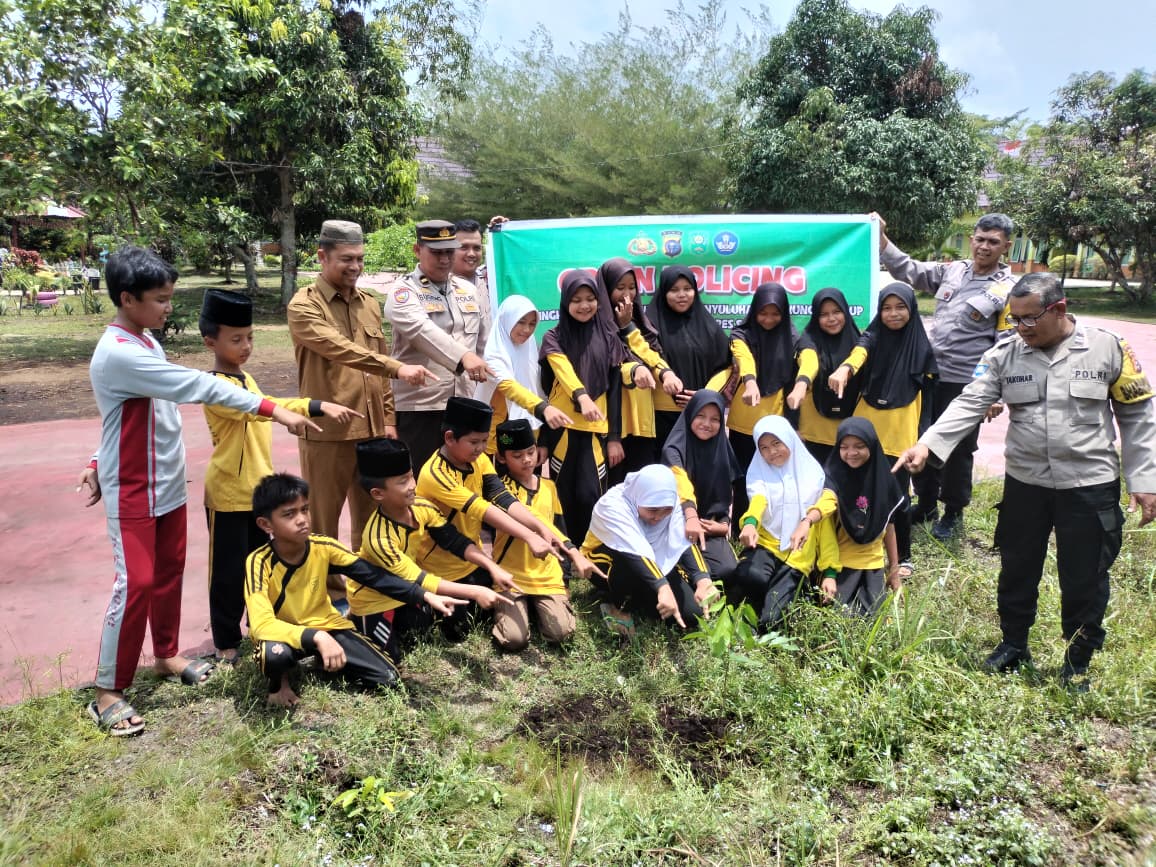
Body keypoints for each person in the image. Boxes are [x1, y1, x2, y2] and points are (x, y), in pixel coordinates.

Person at [77, 247, 318, 736]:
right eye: (161, 299)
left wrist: (95, 456)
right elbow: (199, 387)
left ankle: (166, 654)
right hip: (134, 488)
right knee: (136, 583)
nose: (169, 307)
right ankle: (106, 690)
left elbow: (120, 413)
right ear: (128, 298)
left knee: (167, 574)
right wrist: (277, 409)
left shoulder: (145, 341)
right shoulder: (120, 351)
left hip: (167, 483)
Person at [893, 273, 1156, 685]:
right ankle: (1013, 644)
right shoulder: (1006, 353)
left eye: (1029, 319)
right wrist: (928, 445)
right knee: (1016, 568)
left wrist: (1144, 478)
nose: (1020, 328)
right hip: (1025, 483)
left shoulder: (1107, 348)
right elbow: (971, 400)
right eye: (1014, 319)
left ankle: (1077, 660)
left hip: (1089, 485)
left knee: (1085, 576)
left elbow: (1138, 416)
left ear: (1059, 310)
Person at [199, 288, 361, 664]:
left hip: (259, 495)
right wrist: (283, 413)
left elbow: (271, 402)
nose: (246, 346)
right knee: (228, 573)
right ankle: (226, 641)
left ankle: (271, 627)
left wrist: (316, 405)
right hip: (227, 494)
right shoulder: (214, 385)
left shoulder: (245, 378)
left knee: (267, 566)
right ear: (211, 341)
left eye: (250, 337)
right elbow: (254, 409)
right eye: (236, 339)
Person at [244, 473, 464, 707]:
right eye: (289, 514)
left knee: (388, 678)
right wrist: (315, 636)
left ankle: (324, 656)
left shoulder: (324, 547)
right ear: (266, 524)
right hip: (283, 636)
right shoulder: (258, 562)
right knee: (276, 656)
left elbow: (374, 576)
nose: (302, 519)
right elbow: (262, 624)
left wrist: (425, 595)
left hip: (326, 626)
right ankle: (279, 686)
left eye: (305, 509)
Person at [287, 219, 434, 560]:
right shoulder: (304, 305)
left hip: (372, 433)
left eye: (359, 258)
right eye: (346, 259)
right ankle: (331, 593)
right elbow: (342, 349)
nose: (355, 267)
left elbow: (376, 368)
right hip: (328, 434)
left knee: (372, 520)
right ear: (322, 257)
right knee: (323, 521)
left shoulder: (368, 302)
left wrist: (388, 419)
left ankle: (370, 591)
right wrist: (397, 367)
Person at [875, 211, 1017, 541]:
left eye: (993, 242)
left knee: (958, 449)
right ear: (972, 239)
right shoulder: (952, 271)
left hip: (968, 383)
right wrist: (881, 238)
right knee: (922, 437)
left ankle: (953, 512)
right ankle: (925, 505)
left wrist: (993, 394)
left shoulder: (1009, 289)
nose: (984, 247)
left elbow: (1006, 344)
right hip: (929, 375)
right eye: (980, 239)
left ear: (1006, 246)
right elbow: (910, 269)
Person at [351, 438, 513, 661]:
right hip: (376, 599)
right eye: (402, 482)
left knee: (434, 627)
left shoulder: (422, 506)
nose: (412, 486)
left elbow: (454, 541)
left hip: (409, 589)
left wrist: (490, 566)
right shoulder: (379, 538)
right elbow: (421, 580)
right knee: (391, 663)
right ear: (378, 494)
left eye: (411, 476)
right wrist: (476, 592)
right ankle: (355, 627)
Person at [415, 396, 563, 640]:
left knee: (497, 604)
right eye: (474, 442)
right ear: (450, 438)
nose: (481, 448)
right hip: (442, 568)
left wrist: (539, 527)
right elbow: (481, 509)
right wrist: (528, 535)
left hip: (472, 561)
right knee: (459, 632)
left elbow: (500, 496)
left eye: (485, 441)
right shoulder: (435, 474)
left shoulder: (478, 460)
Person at [829, 282, 937, 577]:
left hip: (900, 431)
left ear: (912, 309)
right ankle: (853, 544)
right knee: (856, 487)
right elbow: (859, 352)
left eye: (900, 307)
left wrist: (923, 439)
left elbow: (927, 402)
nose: (893, 314)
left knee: (898, 496)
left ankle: (902, 557)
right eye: (887, 308)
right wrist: (845, 369)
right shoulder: (872, 336)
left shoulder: (921, 349)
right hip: (867, 427)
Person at [383, 220, 495, 470]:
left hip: (465, 401)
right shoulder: (403, 292)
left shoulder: (468, 289)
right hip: (422, 405)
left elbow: (484, 342)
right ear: (417, 250)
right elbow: (422, 331)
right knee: (422, 482)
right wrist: (464, 357)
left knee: (463, 480)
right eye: (436, 252)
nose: (444, 259)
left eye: (448, 251)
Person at [491, 420, 602, 651]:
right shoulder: (499, 490)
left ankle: (536, 607)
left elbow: (559, 529)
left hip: (546, 575)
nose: (527, 460)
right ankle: (518, 609)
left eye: (530, 452)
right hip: (511, 575)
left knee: (562, 633)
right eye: (517, 455)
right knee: (513, 640)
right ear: (502, 458)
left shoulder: (550, 487)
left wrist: (565, 580)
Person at [539, 270, 630, 546]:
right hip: (562, 429)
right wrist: (582, 396)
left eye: (590, 298)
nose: (584, 305)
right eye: (576, 299)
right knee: (563, 493)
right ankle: (568, 552)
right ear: (566, 301)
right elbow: (562, 372)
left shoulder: (610, 336)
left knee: (592, 494)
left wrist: (614, 438)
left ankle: (592, 550)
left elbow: (615, 392)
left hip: (595, 431)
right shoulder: (553, 337)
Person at [730, 416, 840, 632]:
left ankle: (770, 606)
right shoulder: (761, 475)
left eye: (777, 443)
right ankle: (749, 606)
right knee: (748, 575)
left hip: (798, 557)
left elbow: (825, 531)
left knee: (772, 622)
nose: (772, 452)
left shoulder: (815, 478)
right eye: (764, 448)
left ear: (790, 440)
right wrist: (750, 524)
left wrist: (830, 573)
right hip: (768, 544)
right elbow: (758, 501)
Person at [583, 465, 715, 637]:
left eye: (666, 510)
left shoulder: (673, 501)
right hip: (605, 559)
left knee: (691, 615)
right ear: (640, 496)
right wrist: (662, 587)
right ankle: (618, 608)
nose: (658, 517)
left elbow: (683, 541)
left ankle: (641, 597)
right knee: (629, 564)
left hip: (650, 560)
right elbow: (634, 552)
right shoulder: (613, 505)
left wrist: (703, 578)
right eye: (652, 510)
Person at [599, 257, 683, 482]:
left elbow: (647, 350)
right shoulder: (597, 325)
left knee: (644, 490)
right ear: (606, 289)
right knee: (615, 490)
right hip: (614, 425)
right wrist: (634, 367)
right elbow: (611, 364)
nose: (627, 294)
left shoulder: (640, 322)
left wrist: (665, 372)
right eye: (620, 288)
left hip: (643, 423)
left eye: (632, 287)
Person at [728, 282, 798, 524]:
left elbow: (806, 359)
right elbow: (743, 356)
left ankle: (769, 527)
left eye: (775, 313)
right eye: (763, 313)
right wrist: (750, 381)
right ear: (754, 311)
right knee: (742, 479)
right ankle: (739, 528)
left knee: (773, 479)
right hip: (742, 425)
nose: (769, 319)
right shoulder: (740, 334)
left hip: (774, 425)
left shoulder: (792, 338)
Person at [822, 418, 904, 615]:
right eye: (844, 447)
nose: (851, 453)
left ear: (872, 446)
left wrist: (893, 571)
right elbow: (825, 532)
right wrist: (828, 573)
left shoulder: (884, 480)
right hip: (839, 564)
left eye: (859, 446)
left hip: (872, 564)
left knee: (873, 617)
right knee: (838, 617)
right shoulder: (831, 477)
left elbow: (889, 527)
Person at [661, 390, 741, 588]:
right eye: (700, 416)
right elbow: (681, 484)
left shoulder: (721, 449)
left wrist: (723, 526)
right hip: (676, 526)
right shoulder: (673, 450)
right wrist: (691, 517)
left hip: (707, 527)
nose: (707, 423)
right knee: (685, 577)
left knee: (727, 572)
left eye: (715, 419)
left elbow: (724, 499)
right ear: (689, 415)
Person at [475, 294, 572, 457]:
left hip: (528, 436)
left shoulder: (532, 350)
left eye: (532, 324)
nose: (527, 330)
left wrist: (542, 441)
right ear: (507, 320)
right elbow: (509, 387)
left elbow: (539, 391)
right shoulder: (494, 354)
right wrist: (543, 409)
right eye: (520, 322)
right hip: (496, 439)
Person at [647, 265, 733, 446]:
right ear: (663, 293)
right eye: (674, 290)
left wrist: (705, 395)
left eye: (688, 289)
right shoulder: (650, 325)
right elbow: (648, 357)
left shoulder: (708, 326)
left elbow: (726, 365)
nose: (682, 295)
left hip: (702, 415)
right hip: (661, 415)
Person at [787, 287, 862, 465]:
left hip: (849, 436)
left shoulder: (858, 342)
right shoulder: (808, 340)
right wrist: (802, 383)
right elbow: (809, 361)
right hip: (812, 434)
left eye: (837, 312)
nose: (831, 319)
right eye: (824, 314)